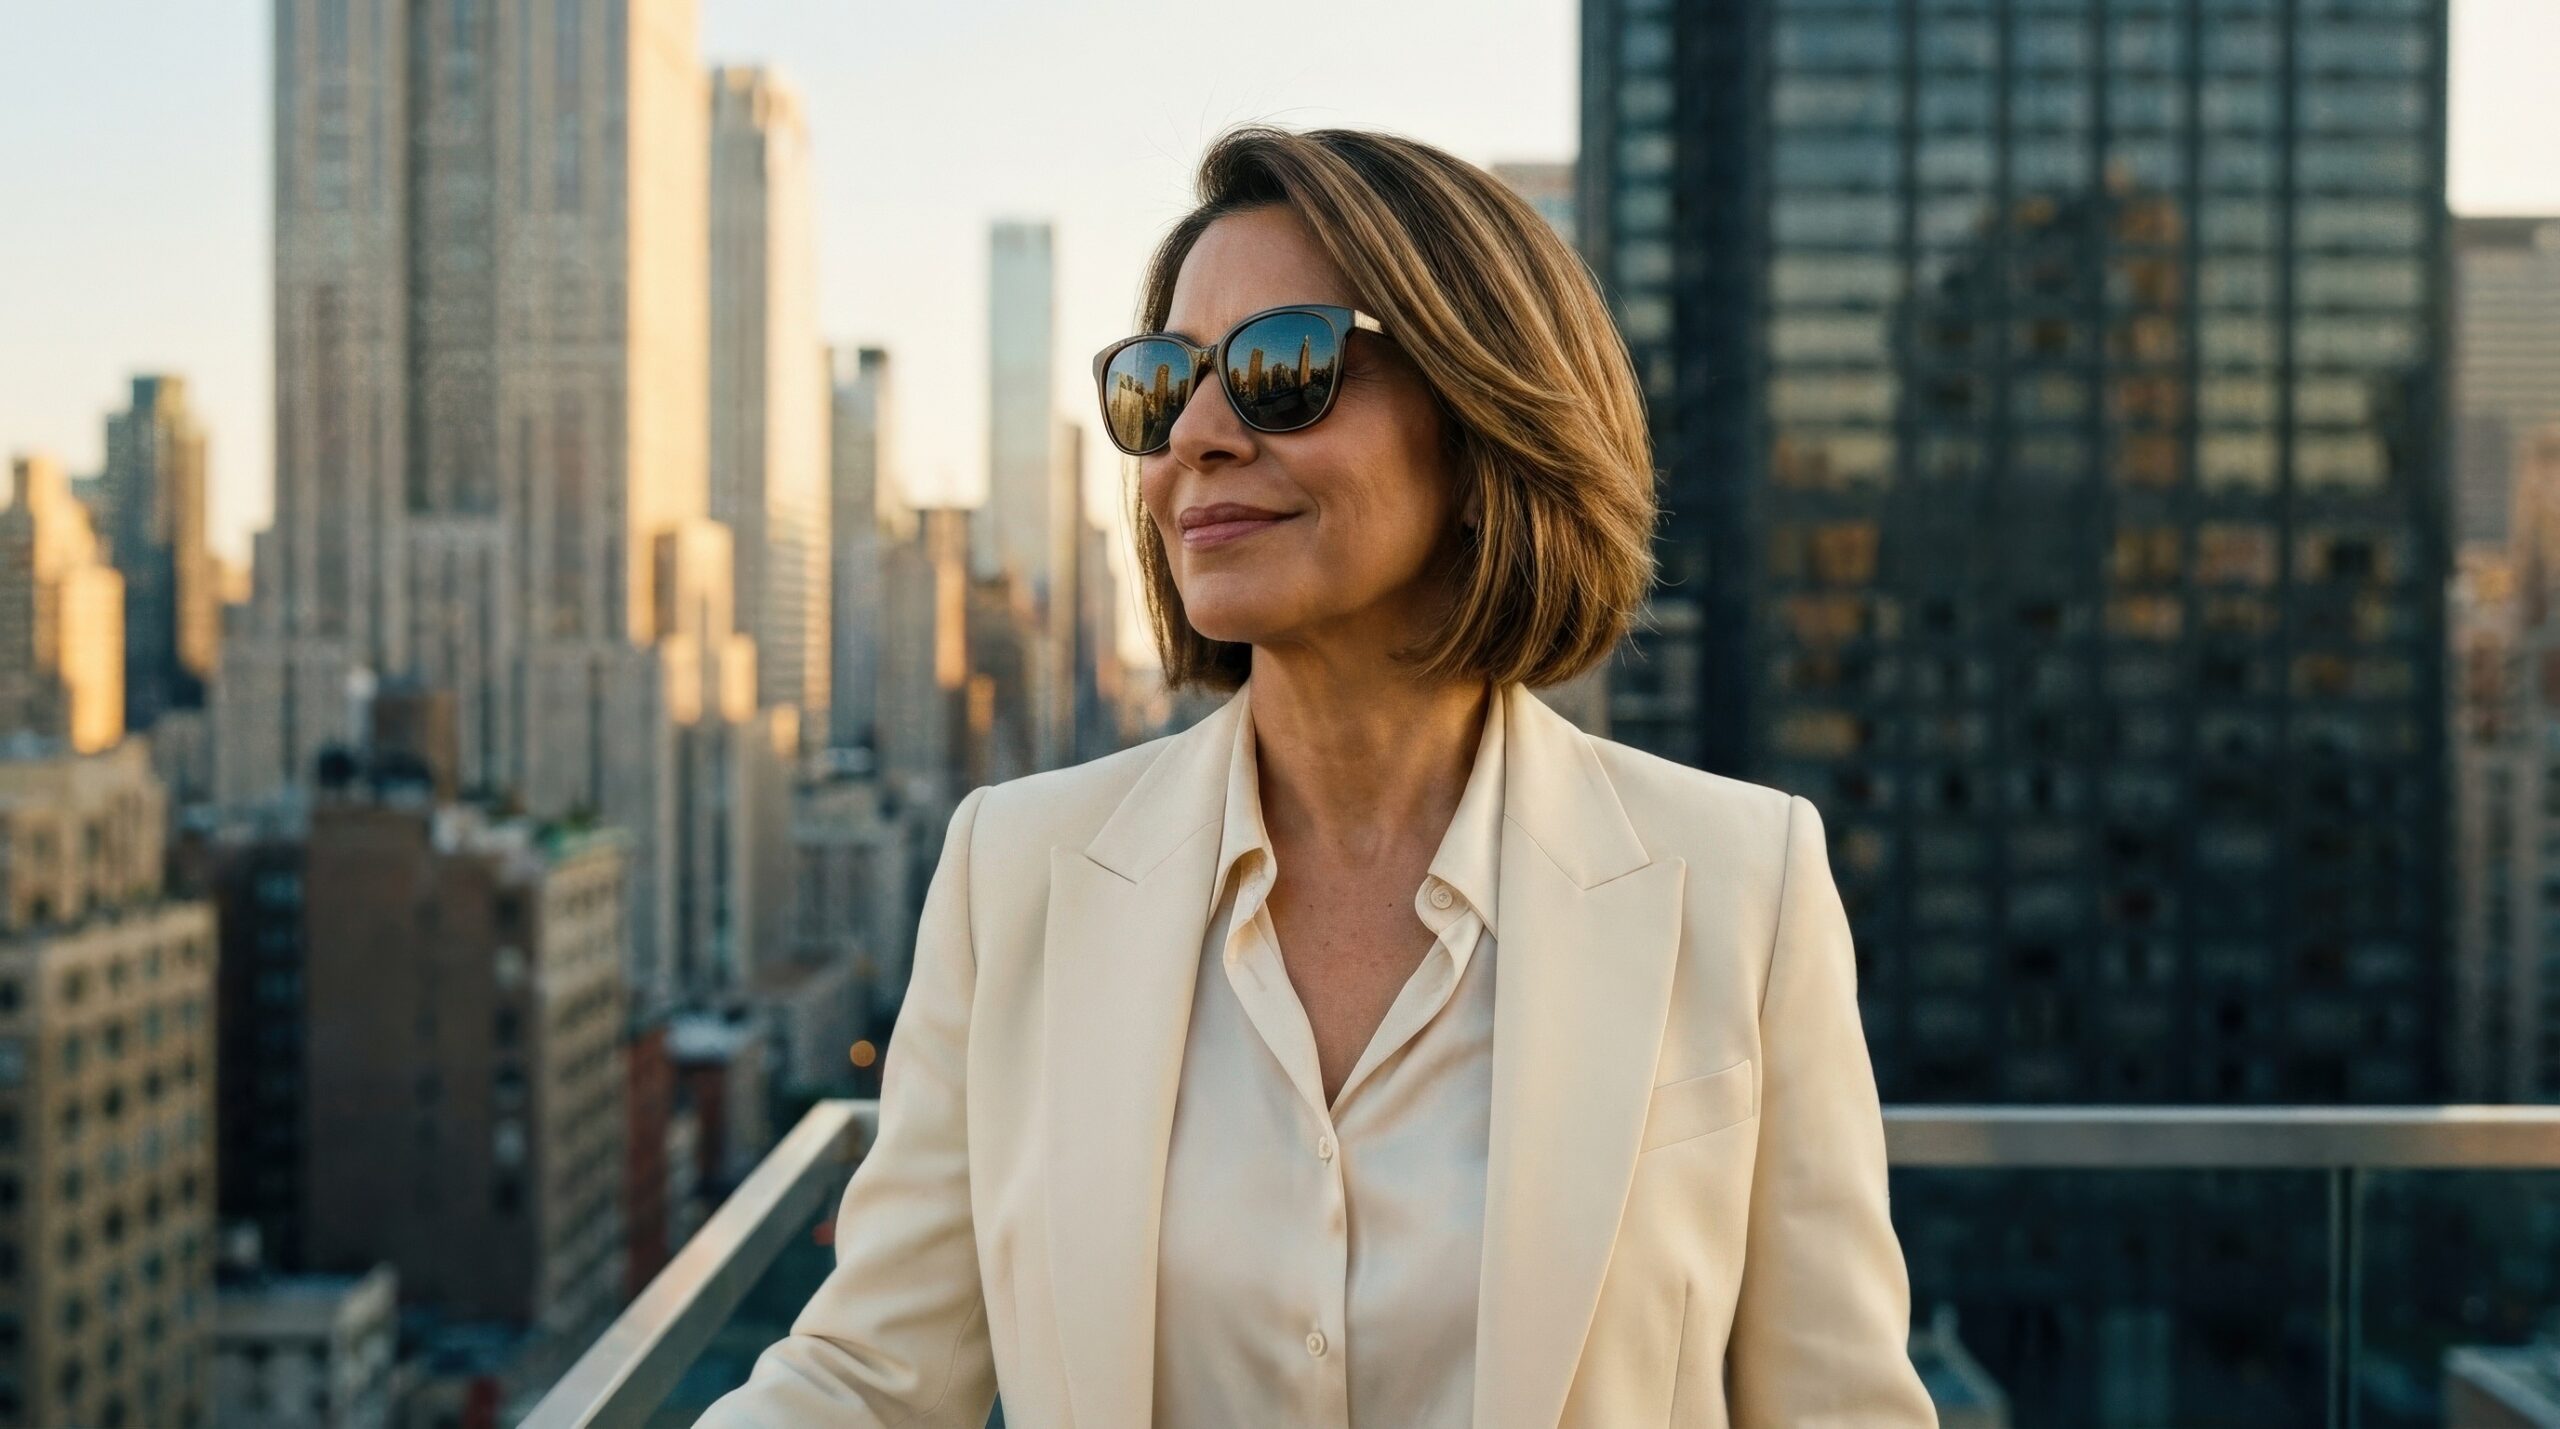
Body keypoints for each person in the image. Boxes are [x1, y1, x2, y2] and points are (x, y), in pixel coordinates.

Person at [697, 123, 1936, 1428]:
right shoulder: (1012, 874)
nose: (1201, 439)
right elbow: (865, 1380)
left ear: (1479, 420)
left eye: (1285, 370)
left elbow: (1839, 1407)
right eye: (1161, 385)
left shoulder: (1745, 887)